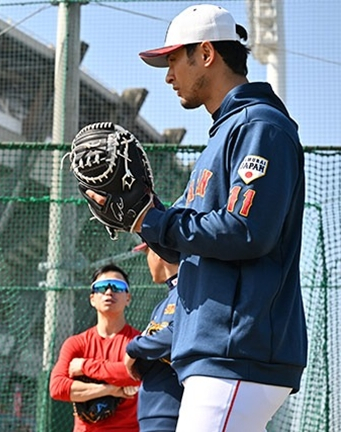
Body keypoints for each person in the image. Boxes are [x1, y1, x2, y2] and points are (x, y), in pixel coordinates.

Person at [123, 4, 307, 431]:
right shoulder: (225, 133)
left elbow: (247, 231)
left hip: (237, 351)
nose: (168, 75)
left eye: (173, 59)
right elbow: (187, 242)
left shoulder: (260, 125)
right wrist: (141, 217)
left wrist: (154, 221)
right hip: (220, 352)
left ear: (206, 53)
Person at [49, 264, 140, 432]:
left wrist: (85, 366)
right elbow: (57, 388)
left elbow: (134, 375)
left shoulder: (139, 342)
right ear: (92, 299)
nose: (109, 292)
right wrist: (110, 389)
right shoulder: (76, 343)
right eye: (101, 287)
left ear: (128, 298)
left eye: (117, 287)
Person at [124, 242, 182, 432]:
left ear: (158, 254)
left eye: (147, 253)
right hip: (153, 411)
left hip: (172, 410)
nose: (147, 260)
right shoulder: (164, 302)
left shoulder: (187, 294)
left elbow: (176, 334)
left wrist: (133, 348)